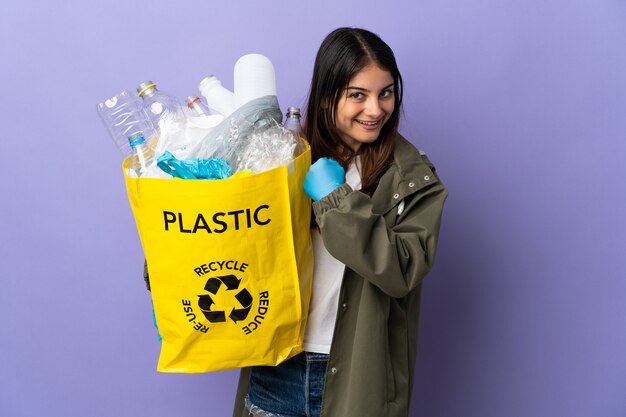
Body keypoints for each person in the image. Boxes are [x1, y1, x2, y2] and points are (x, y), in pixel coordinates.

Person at [232, 27, 448, 417]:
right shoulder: (280, 159)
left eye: (386, 92)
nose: (376, 109)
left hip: (359, 378)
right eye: (357, 95)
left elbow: (401, 269)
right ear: (328, 96)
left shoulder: (412, 178)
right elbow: (234, 239)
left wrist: (336, 199)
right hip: (277, 368)